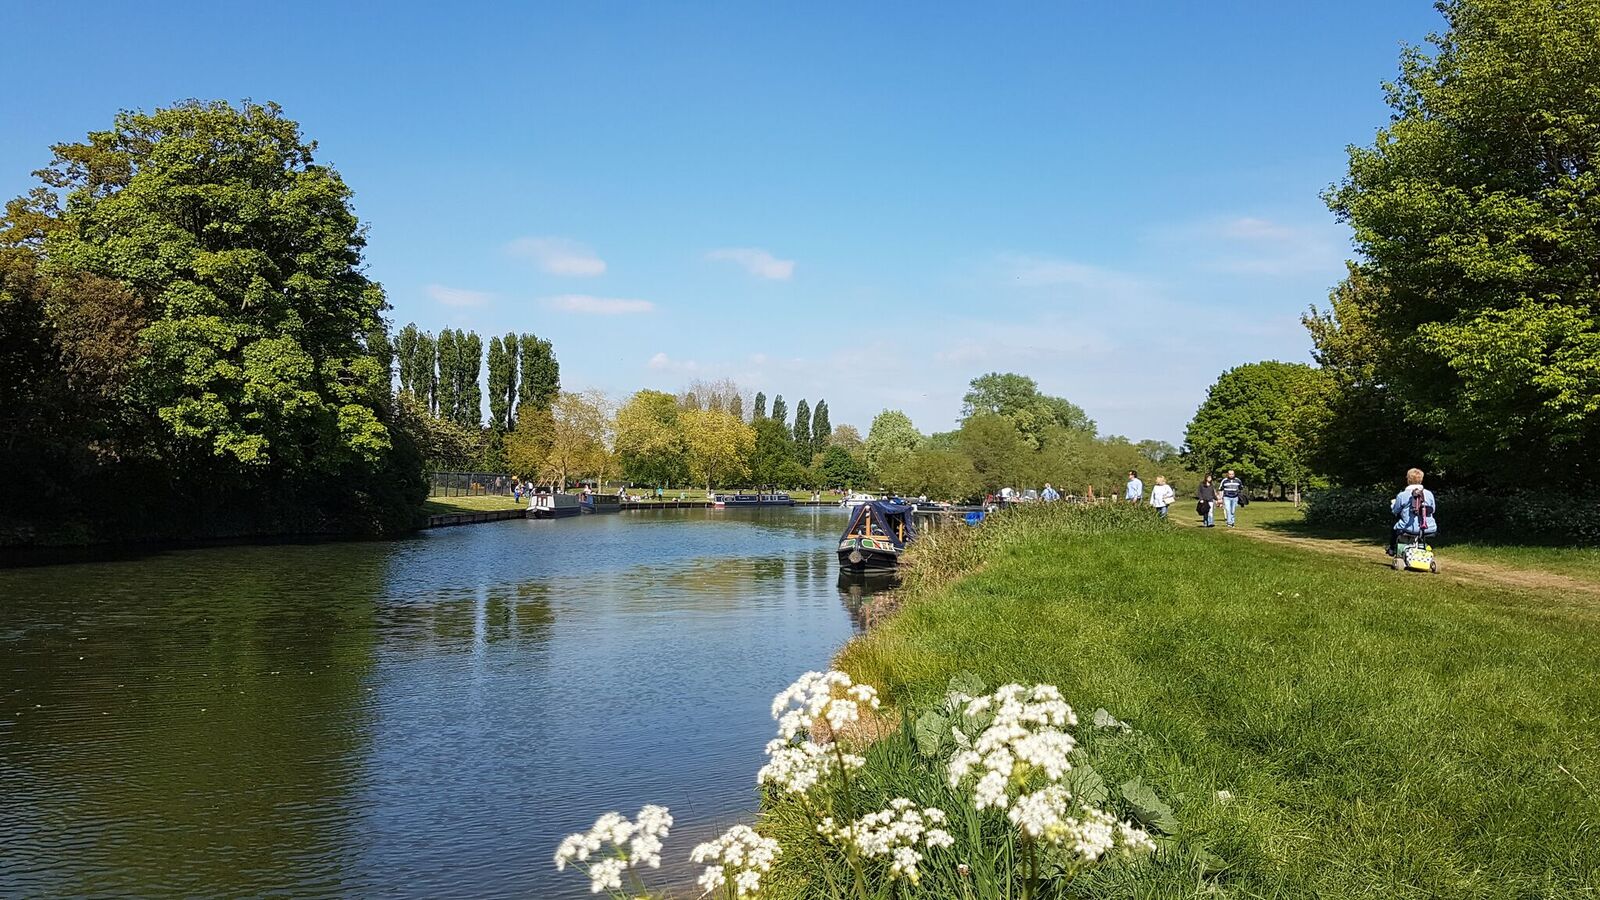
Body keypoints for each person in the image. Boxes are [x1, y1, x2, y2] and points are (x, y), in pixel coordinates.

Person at [1388, 468, 1439, 557]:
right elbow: (1433, 510)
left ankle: (1392, 549)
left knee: (1395, 526)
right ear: (1421, 479)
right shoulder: (1429, 494)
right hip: (1428, 527)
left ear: (1408, 479)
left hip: (1409, 527)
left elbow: (1395, 511)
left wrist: (1393, 504)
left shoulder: (1402, 495)